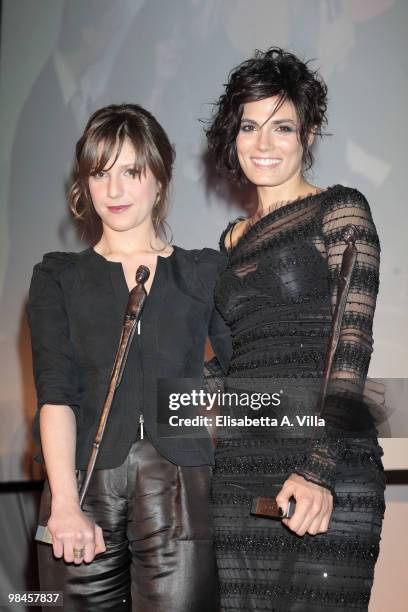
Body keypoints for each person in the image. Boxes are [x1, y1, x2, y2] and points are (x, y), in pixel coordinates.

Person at [27, 103, 232, 612]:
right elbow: (56, 395)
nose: (114, 190)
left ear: (159, 179)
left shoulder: (203, 272)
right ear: (85, 184)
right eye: (100, 173)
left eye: (131, 172)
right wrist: (67, 508)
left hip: (181, 490)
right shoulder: (58, 276)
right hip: (82, 489)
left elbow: (240, 373)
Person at [204, 48, 385, 611]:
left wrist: (318, 471)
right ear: (232, 136)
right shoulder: (229, 241)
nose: (263, 144)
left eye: (282, 127)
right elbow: (227, 363)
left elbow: (351, 345)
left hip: (320, 468)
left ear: (308, 133)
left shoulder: (340, 211)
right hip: (238, 477)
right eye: (249, 126)